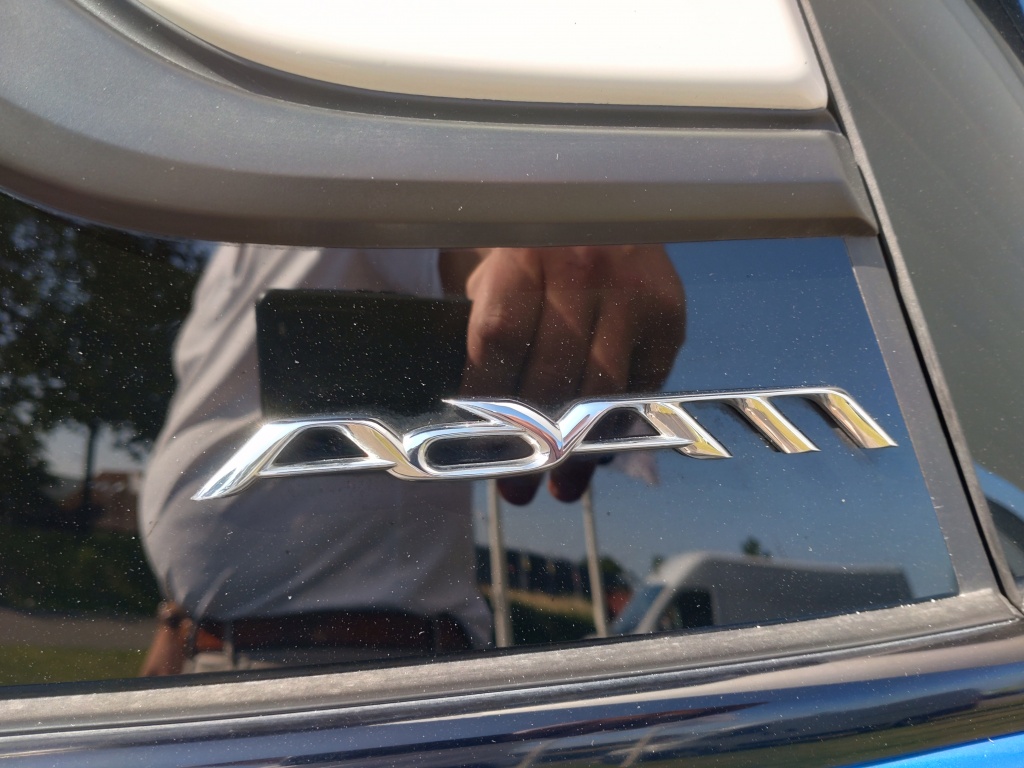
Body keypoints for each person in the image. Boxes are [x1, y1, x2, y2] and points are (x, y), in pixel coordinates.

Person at [139, 244, 684, 675]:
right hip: (207, 640)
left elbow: (469, 243)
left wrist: (552, 241)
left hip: (353, 666)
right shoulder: (232, 213)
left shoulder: (355, 174)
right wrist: (177, 622)